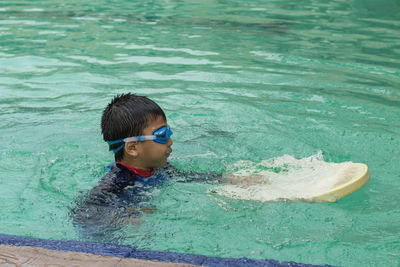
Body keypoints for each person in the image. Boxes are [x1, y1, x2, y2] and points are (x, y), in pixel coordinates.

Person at [71, 93, 221, 241]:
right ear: (133, 148)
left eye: (169, 132)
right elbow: (85, 213)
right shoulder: (119, 180)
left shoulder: (159, 168)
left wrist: (226, 179)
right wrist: (124, 218)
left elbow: (187, 177)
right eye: (162, 135)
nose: (170, 141)